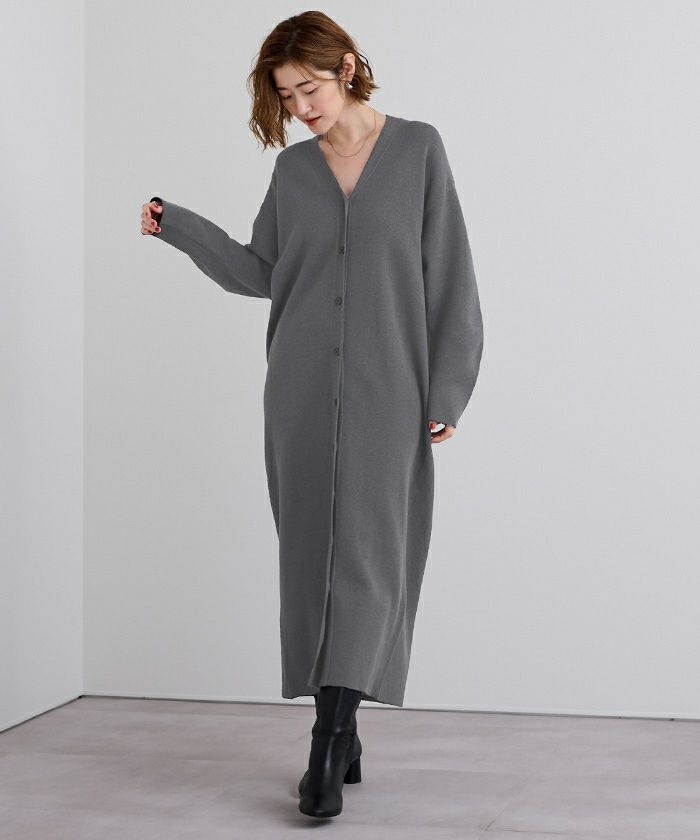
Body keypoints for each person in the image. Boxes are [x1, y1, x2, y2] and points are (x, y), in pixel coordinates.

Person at [141, 10, 484, 819]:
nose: (300, 108)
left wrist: (448, 389)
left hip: (391, 390)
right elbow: (262, 271)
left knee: (368, 557)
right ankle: (343, 724)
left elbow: (450, 276)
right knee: (312, 560)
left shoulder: (419, 149)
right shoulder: (294, 172)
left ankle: (329, 739)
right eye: (286, 96)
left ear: (347, 68)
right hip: (297, 391)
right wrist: (178, 227)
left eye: (309, 89)